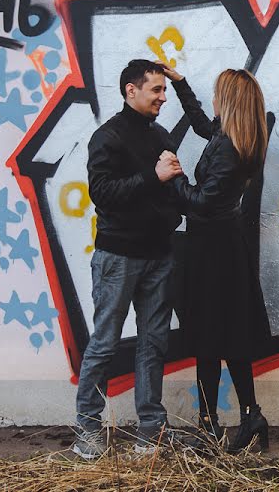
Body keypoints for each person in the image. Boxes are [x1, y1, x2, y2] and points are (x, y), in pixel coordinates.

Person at [72, 60, 185, 459]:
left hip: (159, 255)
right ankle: (87, 431)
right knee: (104, 344)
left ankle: (150, 432)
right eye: (155, 89)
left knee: (153, 344)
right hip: (118, 257)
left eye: (163, 89)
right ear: (130, 91)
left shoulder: (160, 134)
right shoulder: (108, 137)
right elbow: (102, 193)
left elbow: (172, 185)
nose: (162, 97)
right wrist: (153, 177)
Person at [157, 63, 270, 452]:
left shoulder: (228, 147)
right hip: (225, 247)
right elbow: (203, 124)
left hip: (211, 249)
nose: (216, 98)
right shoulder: (238, 137)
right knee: (229, 335)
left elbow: (201, 204)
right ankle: (248, 415)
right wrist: (181, 84)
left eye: (220, 93)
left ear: (231, 101)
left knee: (209, 336)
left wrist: (174, 178)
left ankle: (211, 423)